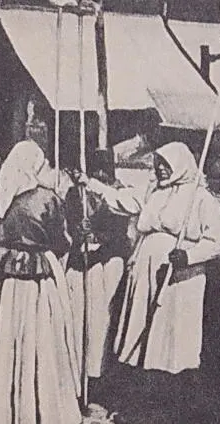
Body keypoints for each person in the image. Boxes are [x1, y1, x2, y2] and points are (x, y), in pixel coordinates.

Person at [74, 142, 220, 424]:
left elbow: (217, 240)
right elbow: (123, 201)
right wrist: (91, 184)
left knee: (172, 343)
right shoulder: (154, 192)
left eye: (166, 165)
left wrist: (188, 256)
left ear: (181, 165)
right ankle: (142, 406)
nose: (160, 169)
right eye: (158, 164)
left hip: (180, 281)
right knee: (143, 339)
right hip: (145, 276)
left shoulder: (201, 198)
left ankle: (176, 410)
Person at [0, 140, 81, 424]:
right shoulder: (47, 198)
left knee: (0, 342)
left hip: (0, 282)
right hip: (35, 283)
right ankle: (33, 415)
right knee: (36, 344)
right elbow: (61, 241)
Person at [64, 151, 132, 393]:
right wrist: (79, 231)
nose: (101, 173)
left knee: (104, 318)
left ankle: (101, 375)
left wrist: (98, 236)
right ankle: (78, 374)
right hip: (83, 262)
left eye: (105, 168)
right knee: (80, 318)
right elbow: (69, 221)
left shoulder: (119, 192)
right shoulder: (76, 193)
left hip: (110, 262)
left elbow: (120, 226)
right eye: (97, 168)